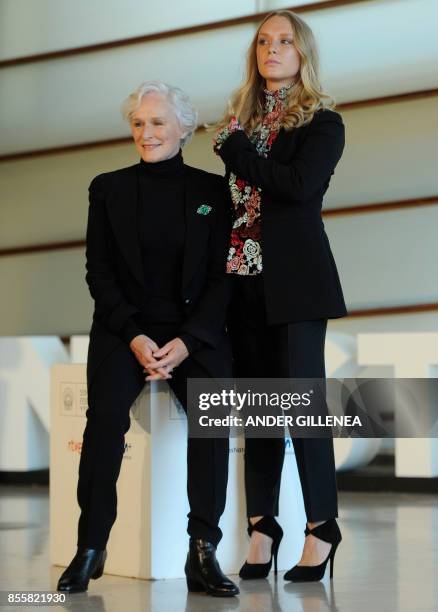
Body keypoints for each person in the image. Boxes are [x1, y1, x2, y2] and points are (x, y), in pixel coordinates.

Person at [57, 81, 239, 597]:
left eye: (159, 122)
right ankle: (90, 547)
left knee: (214, 415)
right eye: (139, 123)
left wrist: (187, 341)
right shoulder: (107, 187)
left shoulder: (211, 191)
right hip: (125, 327)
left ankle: (201, 552)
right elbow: (99, 272)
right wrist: (136, 336)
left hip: (193, 331)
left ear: (184, 129)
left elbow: (219, 278)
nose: (147, 132)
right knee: (105, 421)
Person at [213, 10, 347, 582]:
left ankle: (322, 527)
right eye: (263, 41)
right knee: (258, 414)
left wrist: (236, 152)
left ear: (302, 52)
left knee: (301, 408)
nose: (272, 49)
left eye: (284, 40)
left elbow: (297, 187)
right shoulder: (238, 123)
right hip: (241, 281)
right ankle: (262, 527)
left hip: (296, 285)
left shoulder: (323, 123)